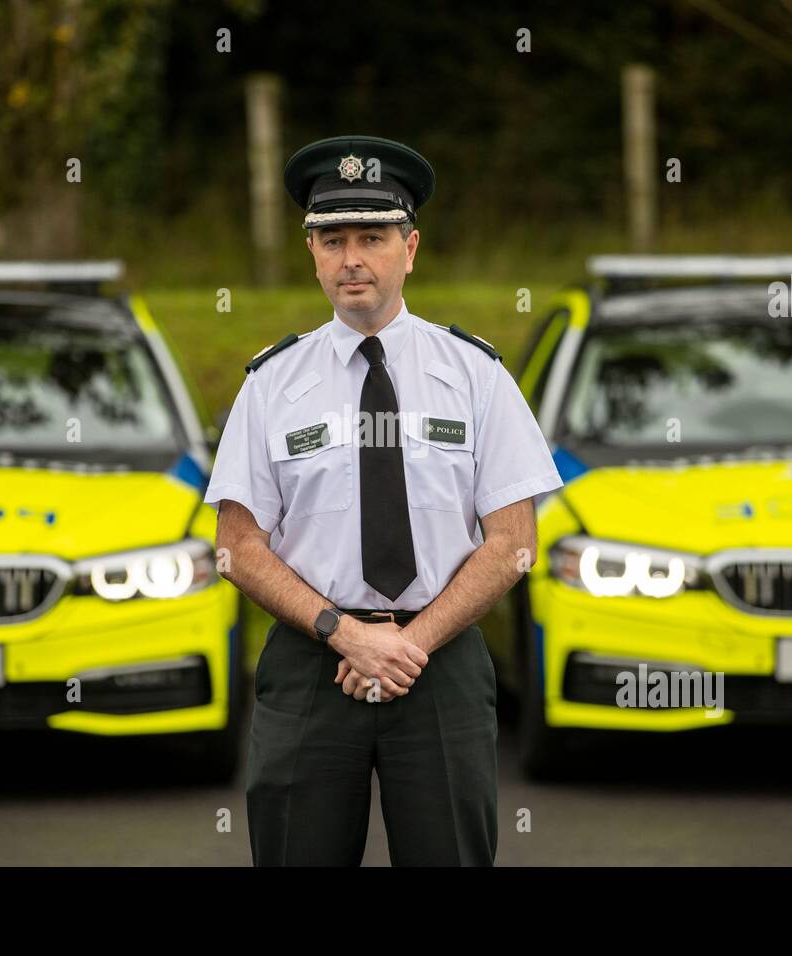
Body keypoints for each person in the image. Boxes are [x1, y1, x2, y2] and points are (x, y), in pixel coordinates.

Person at [204, 135, 563, 865]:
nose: (352, 259)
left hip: (441, 665)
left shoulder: (475, 374)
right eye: (332, 239)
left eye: (372, 237)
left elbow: (513, 542)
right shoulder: (271, 383)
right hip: (311, 663)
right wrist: (346, 633)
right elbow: (237, 548)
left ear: (411, 247)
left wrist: (408, 644)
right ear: (312, 253)